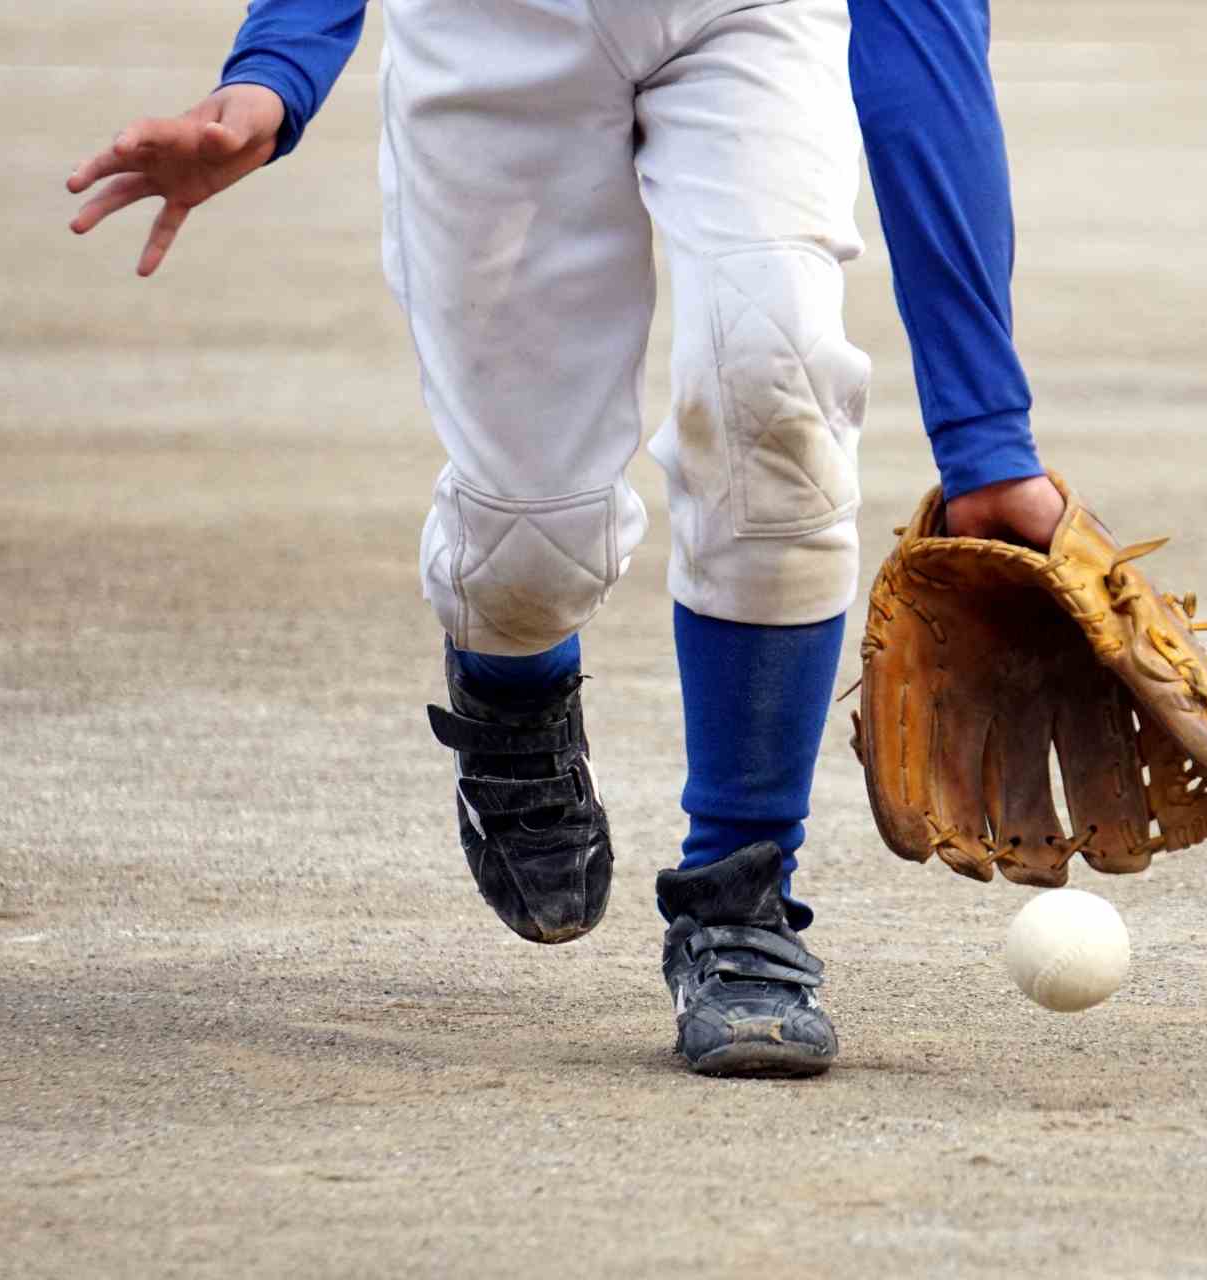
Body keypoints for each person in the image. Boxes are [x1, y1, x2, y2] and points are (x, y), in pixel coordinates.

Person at [66, 0, 1061, 1077]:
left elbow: (923, 42)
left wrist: (986, 443)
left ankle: (742, 895)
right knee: (528, 539)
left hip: (751, 16)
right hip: (493, 33)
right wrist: (278, 68)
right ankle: (512, 685)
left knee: (775, 399)